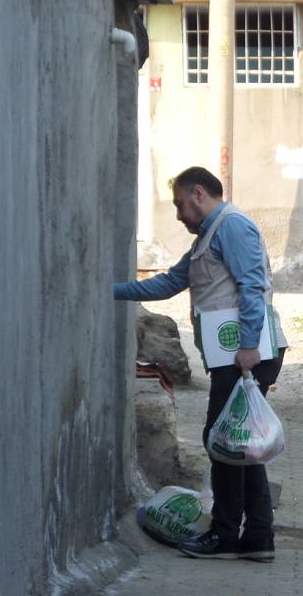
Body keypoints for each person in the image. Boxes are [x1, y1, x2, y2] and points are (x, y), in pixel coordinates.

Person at [114, 166, 287, 562]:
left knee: (221, 440)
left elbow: (252, 285)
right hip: (234, 355)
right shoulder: (208, 236)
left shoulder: (231, 225)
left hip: (244, 356)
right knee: (242, 444)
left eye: (179, 204)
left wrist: (246, 346)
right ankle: (258, 537)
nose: (177, 215)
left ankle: (225, 536)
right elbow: (169, 283)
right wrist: (110, 291)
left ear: (197, 193)